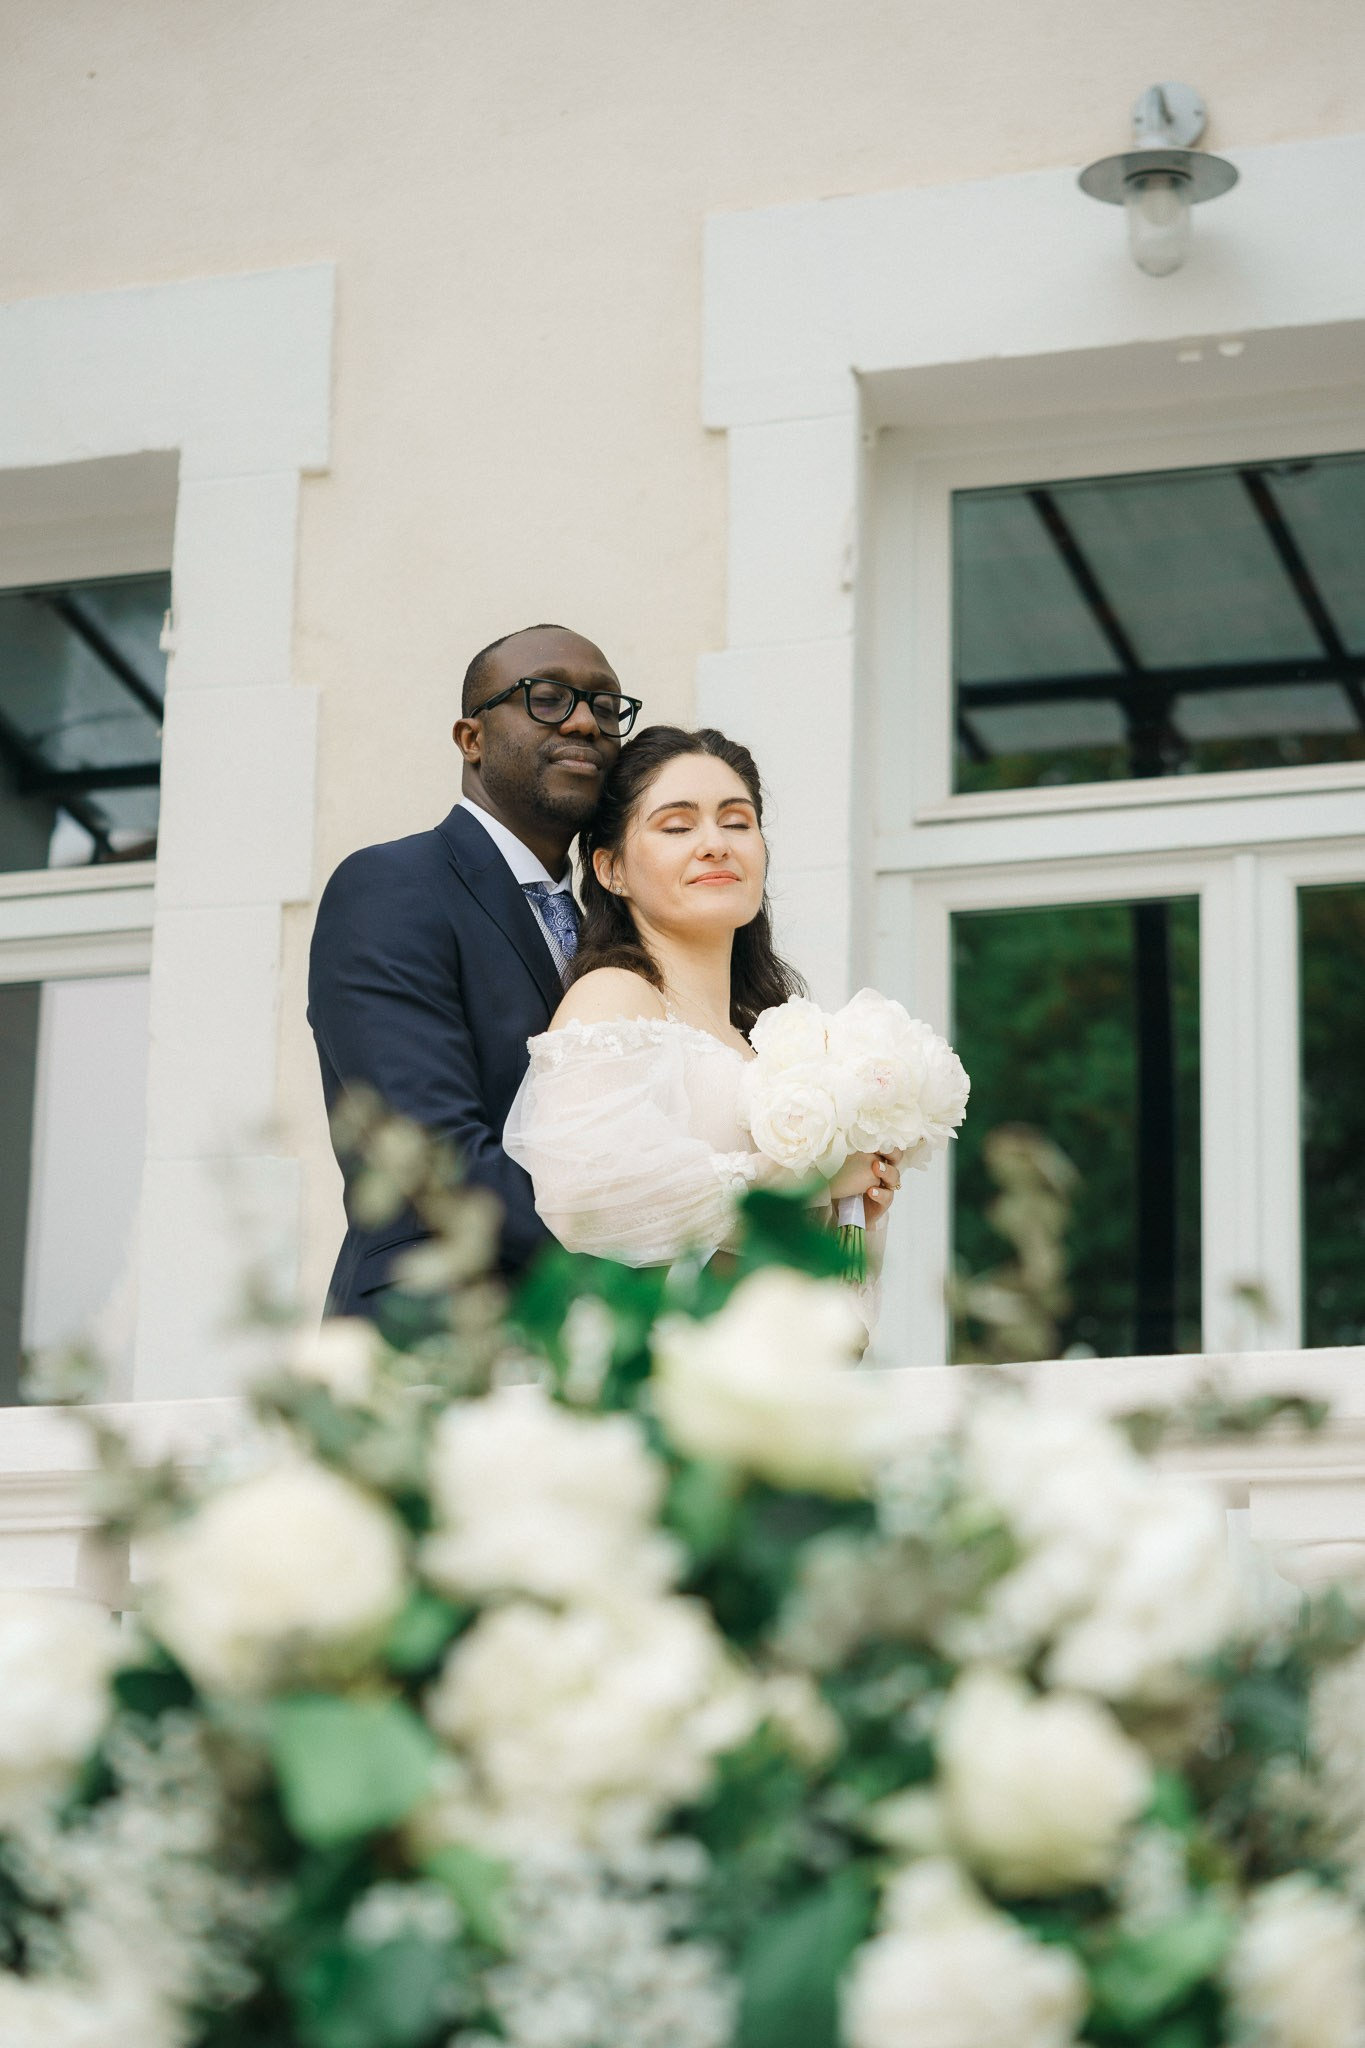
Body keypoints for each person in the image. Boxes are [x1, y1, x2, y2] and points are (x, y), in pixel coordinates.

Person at [307, 623, 640, 1317]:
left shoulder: (607, 931)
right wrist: (644, 1274)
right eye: (546, 698)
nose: (584, 722)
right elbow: (434, 1154)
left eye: (607, 709)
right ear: (471, 737)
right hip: (434, 1337)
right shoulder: (393, 886)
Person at [504, 724, 900, 1267]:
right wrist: (811, 1177)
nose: (716, 845)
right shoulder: (617, 996)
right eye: (676, 826)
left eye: (737, 822)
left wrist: (848, 1217)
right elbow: (588, 1198)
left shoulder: (765, 1036)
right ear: (611, 868)